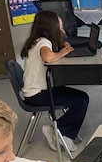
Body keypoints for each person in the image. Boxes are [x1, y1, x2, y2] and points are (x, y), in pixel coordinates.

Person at [20, 10, 89, 153]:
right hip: (37, 94)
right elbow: (48, 57)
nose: (62, 29)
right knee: (80, 103)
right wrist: (63, 52)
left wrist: (60, 45)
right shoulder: (44, 42)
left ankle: (62, 131)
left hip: (36, 90)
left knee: (83, 97)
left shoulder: (37, 40)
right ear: (52, 27)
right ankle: (61, 133)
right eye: (60, 26)